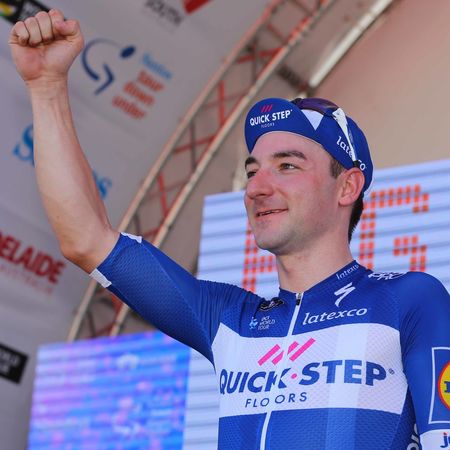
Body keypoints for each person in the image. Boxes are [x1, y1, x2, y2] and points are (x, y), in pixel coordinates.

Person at [9, 9, 450, 450]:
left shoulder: (409, 300)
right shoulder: (230, 318)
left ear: (347, 186)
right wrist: (47, 87)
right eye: (252, 171)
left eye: (287, 166)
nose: (257, 187)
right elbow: (85, 239)